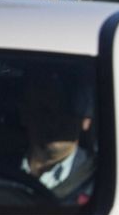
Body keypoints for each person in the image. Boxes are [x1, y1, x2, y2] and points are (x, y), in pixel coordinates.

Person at [17, 69, 95, 198]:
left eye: (66, 112)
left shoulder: (105, 184)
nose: (55, 121)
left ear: (86, 120)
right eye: (44, 111)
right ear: (24, 114)